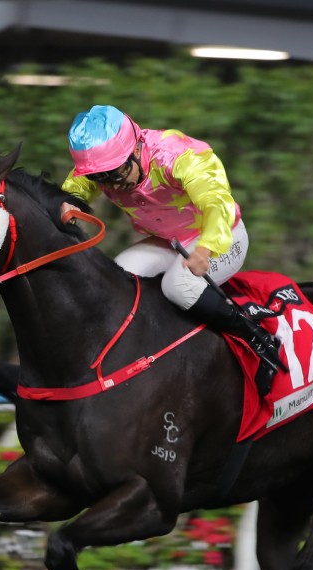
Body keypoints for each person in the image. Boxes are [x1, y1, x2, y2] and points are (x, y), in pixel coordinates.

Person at [60, 104, 281, 395]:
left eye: (116, 173)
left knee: (178, 285)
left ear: (137, 148)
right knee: (118, 279)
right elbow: (76, 186)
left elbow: (218, 205)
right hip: (167, 240)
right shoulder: (103, 168)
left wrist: (206, 249)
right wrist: (69, 201)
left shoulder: (179, 157)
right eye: (101, 178)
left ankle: (259, 340)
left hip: (219, 235)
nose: (113, 185)